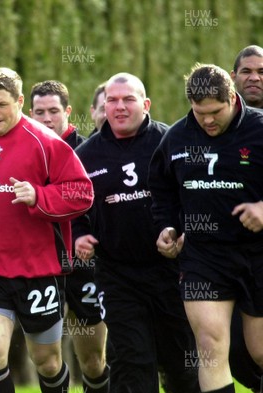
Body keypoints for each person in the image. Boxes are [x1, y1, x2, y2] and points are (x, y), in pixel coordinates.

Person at [0, 67, 93, 393]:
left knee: (47, 361)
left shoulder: (47, 144)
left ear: (20, 101)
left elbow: (82, 193)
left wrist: (38, 196)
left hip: (38, 271)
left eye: (1, 104)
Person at [73, 72, 200, 393]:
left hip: (170, 272)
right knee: (133, 361)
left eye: (128, 100)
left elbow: (193, 196)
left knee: (181, 363)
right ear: (103, 106)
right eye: (112, 100)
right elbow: (72, 209)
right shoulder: (85, 156)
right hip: (117, 275)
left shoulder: (169, 142)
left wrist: (178, 231)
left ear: (145, 104)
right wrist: (78, 234)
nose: (119, 107)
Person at [150, 63, 263, 393]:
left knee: (258, 352)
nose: (208, 120)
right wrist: (167, 228)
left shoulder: (258, 129)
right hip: (203, 259)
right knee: (211, 349)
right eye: (200, 113)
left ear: (232, 97)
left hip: (257, 255)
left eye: (215, 112)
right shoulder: (177, 137)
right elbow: (162, 190)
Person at [29, 80, 109, 393]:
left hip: (84, 267)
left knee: (92, 359)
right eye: (39, 112)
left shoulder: (88, 152)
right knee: (47, 361)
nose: (46, 119)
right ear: (29, 112)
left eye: (53, 111)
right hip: (39, 267)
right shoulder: (21, 152)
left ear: (68, 112)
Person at [229, 45, 263, 393]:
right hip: (225, 257)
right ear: (233, 76)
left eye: (262, 72)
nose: (254, 78)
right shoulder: (212, 122)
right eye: (247, 72)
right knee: (237, 351)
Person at [29, 80, 86, 148]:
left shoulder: (86, 152)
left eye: (53, 112)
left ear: (67, 111)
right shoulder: (22, 149)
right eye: (40, 113)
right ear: (31, 115)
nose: (47, 119)